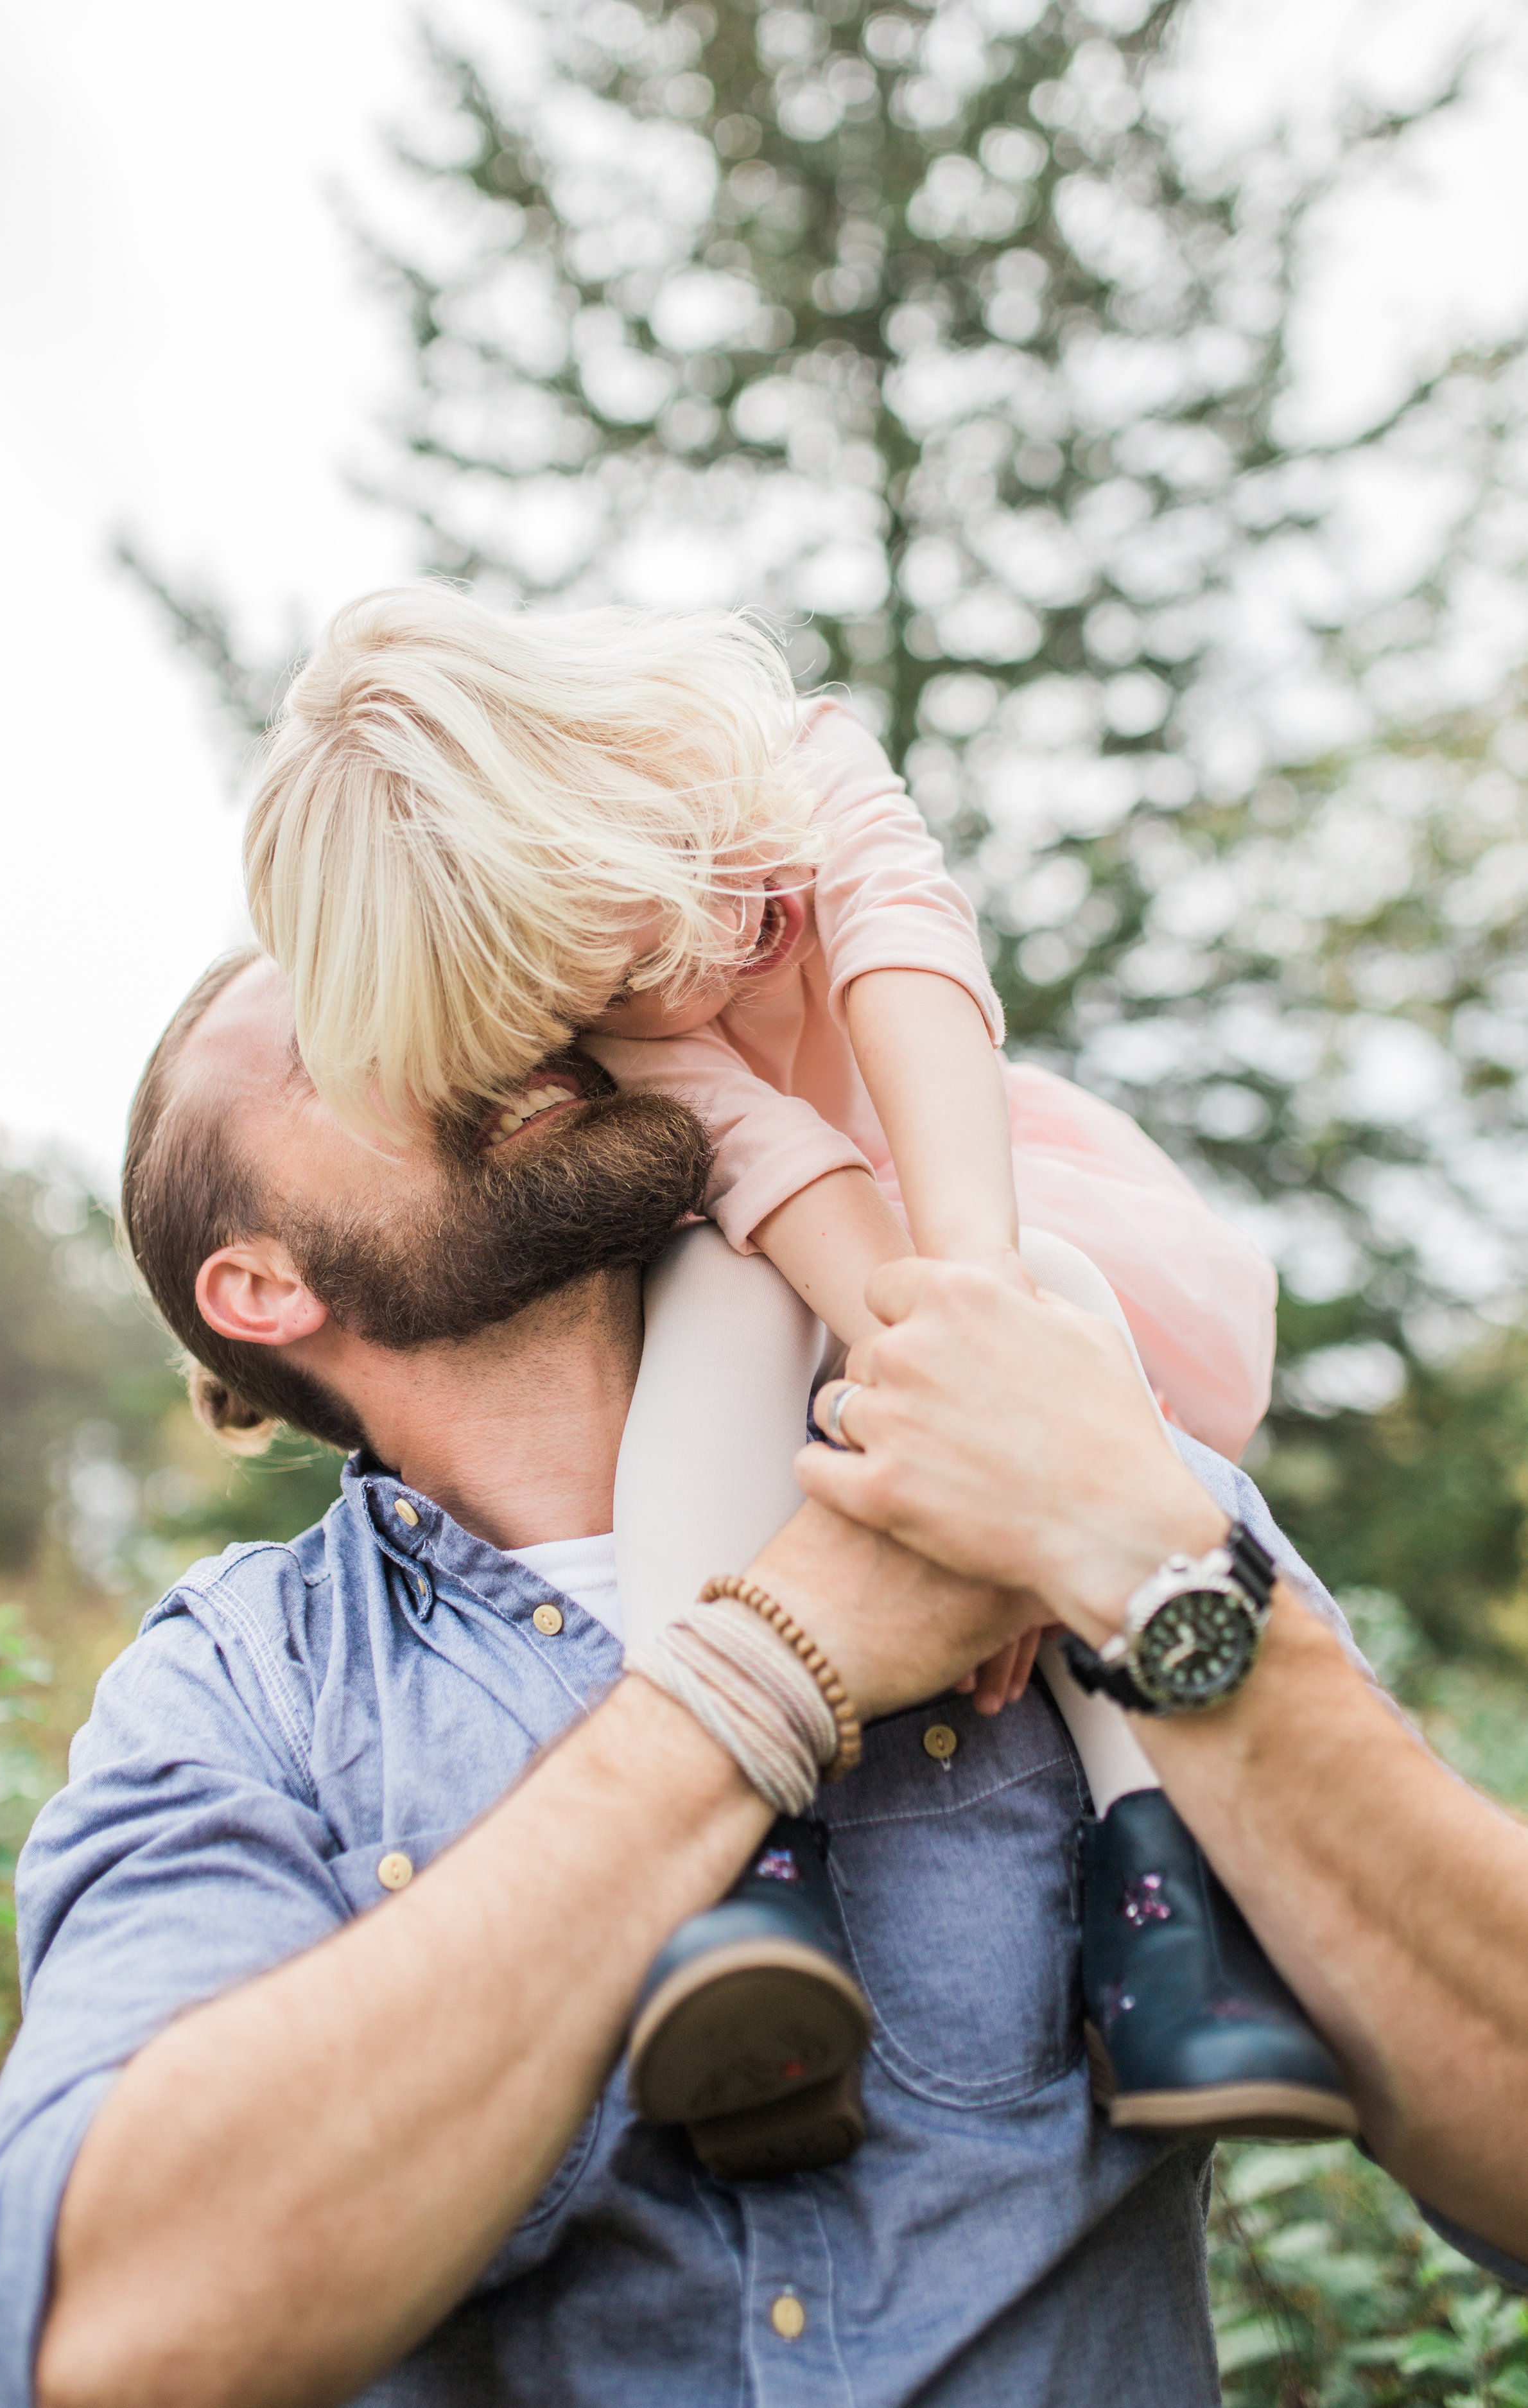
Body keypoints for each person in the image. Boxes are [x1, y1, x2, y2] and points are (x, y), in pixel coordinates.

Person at [0, 952, 1371, 2408]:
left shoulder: (1060, 1439)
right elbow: (104, 2346)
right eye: (345, 1048)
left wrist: (1149, 1577)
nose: (462, 1025)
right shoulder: (237, 1686)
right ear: (264, 1285)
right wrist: (775, 1656)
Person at [239, 583, 1328, 2145]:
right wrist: (944, 1432)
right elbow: (781, 1171)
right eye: (579, 1008)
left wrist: (995, 1385)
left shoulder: (803, 761)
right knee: (720, 1289)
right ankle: (740, 1888)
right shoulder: (631, 1035)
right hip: (801, 1251)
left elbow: (914, 988)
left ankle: (1163, 1899)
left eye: (611, 943)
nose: (636, 1008)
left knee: (1058, 1288)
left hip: (968, 1188)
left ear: (605, 791)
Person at [795, 1253, 1528, 2276]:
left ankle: (1172, 1894)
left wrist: (1108, 1523)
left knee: (1057, 1274)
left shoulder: (1178, 1476)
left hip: (928, 1270)